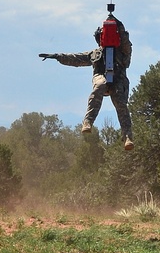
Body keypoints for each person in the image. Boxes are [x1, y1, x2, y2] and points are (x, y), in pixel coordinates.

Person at [40, 13, 134, 150]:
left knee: (121, 103)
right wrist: (57, 57)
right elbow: (75, 58)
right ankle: (88, 122)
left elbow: (127, 43)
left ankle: (128, 137)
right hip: (101, 77)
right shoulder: (95, 54)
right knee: (100, 85)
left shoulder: (123, 53)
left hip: (118, 80)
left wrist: (119, 25)